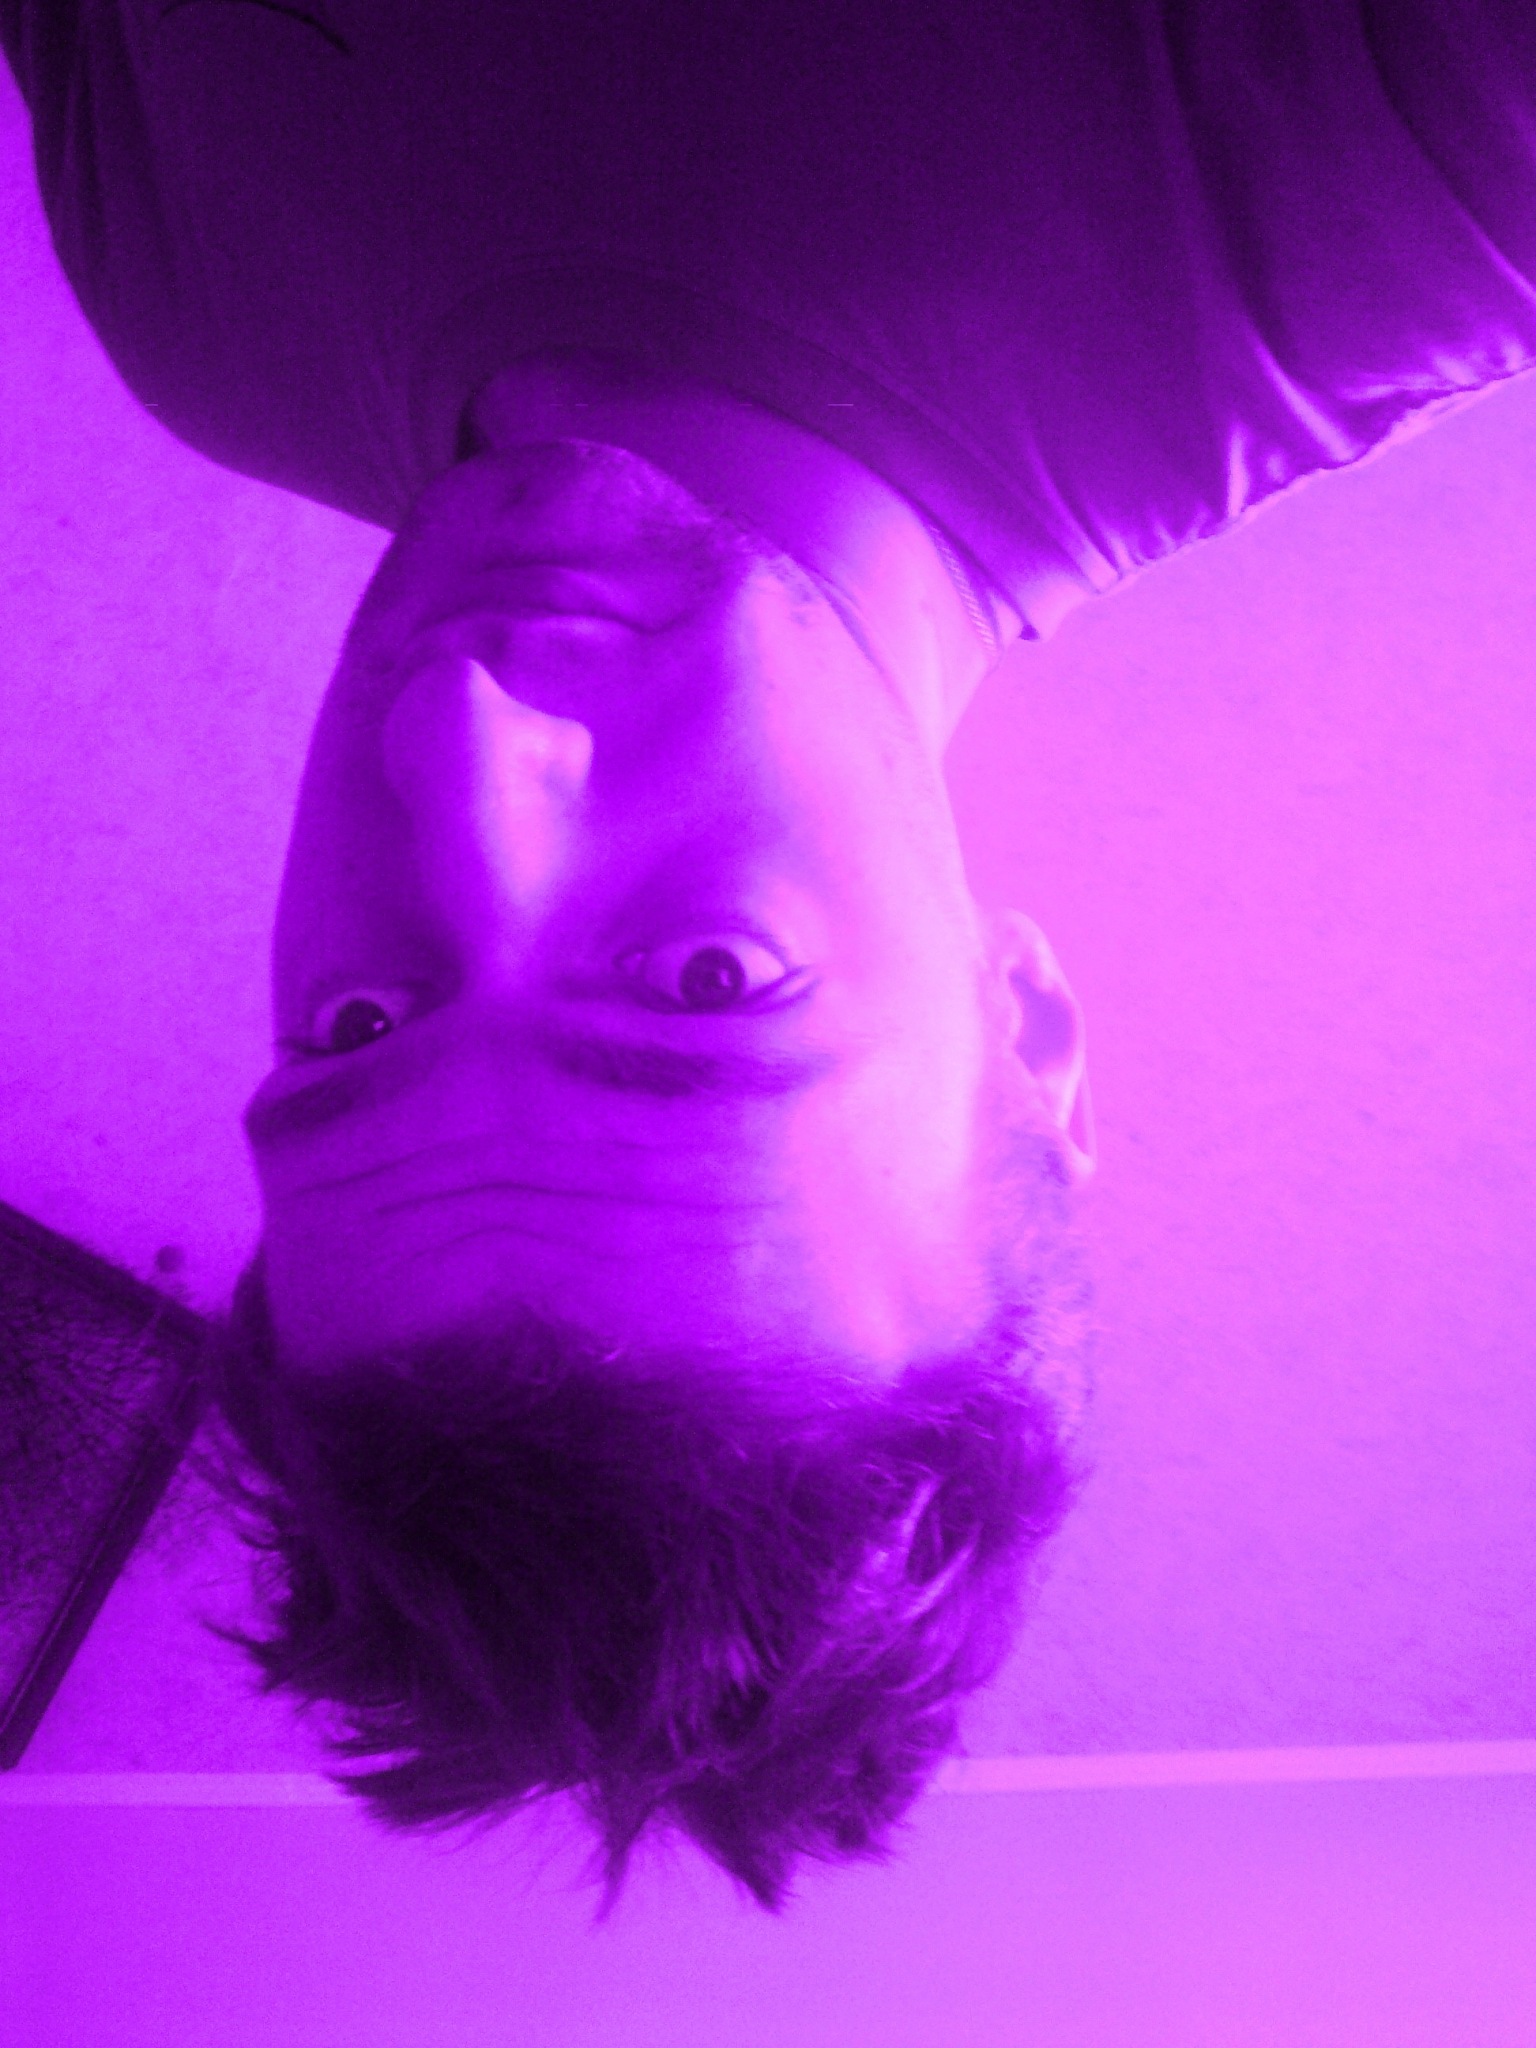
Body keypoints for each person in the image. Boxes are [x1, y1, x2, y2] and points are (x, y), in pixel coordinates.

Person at [3, 0, 1532, 1909]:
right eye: (708, 983)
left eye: (359, 1022)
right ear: (1026, 1031)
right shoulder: (1416, 168)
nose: (460, 739)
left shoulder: (190, 313)